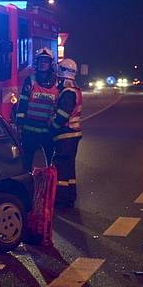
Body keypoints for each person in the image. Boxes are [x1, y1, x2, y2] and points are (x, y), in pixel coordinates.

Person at [15, 47, 59, 170]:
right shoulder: (30, 80)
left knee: (50, 165)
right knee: (26, 164)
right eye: (40, 60)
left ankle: (48, 186)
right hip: (29, 131)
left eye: (46, 61)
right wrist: (19, 125)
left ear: (51, 64)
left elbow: (60, 106)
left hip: (48, 131)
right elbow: (22, 104)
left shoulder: (57, 83)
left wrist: (56, 126)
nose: (43, 63)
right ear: (36, 62)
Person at [50, 58, 83, 208]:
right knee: (69, 169)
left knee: (61, 169)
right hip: (73, 135)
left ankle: (62, 200)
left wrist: (52, 126)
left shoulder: (67, 92)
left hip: (65, 135)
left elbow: (63, 115)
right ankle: (70, 196)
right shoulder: (75, 89)